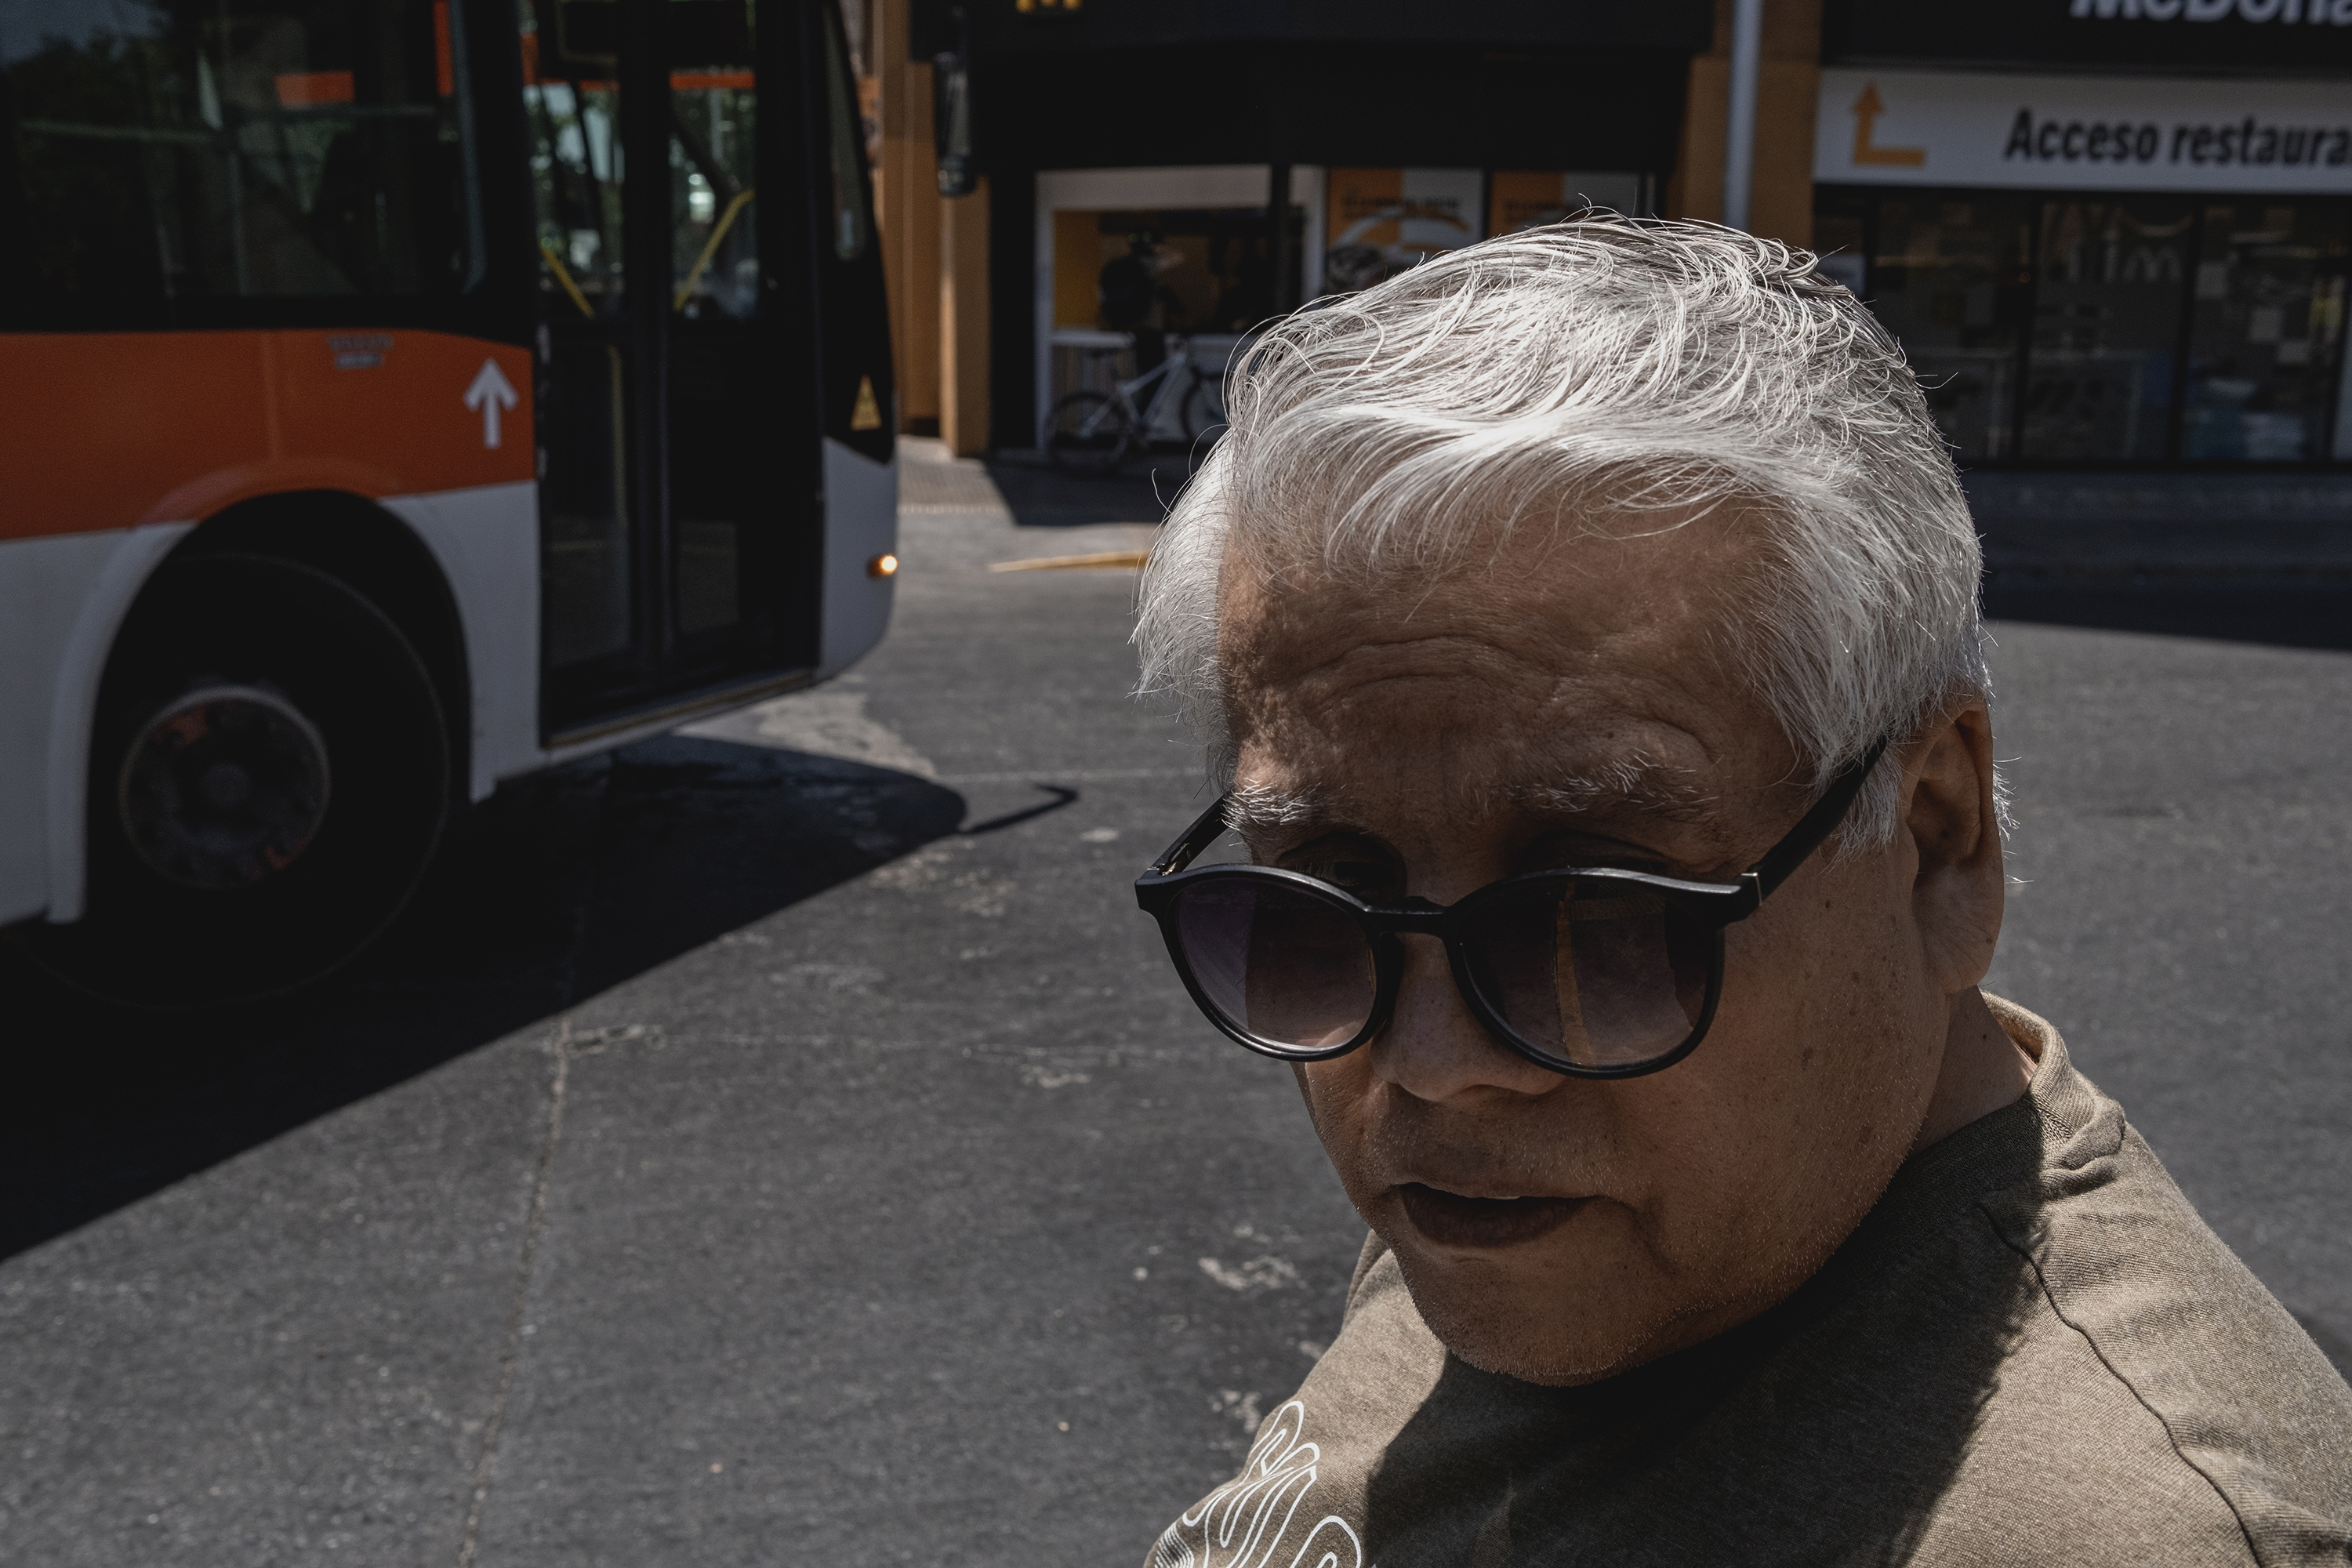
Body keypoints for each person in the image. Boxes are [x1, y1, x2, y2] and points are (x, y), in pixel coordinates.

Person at [1128, 219, 2352, 1567]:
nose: (1431, 1066)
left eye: (1594, 914)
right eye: (1329, 902)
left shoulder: (2137, 1535)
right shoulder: (1533, 1213)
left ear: (1937, 841)